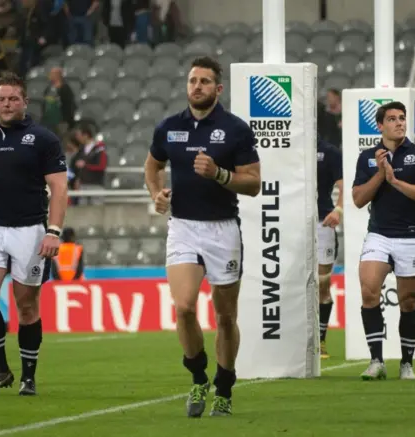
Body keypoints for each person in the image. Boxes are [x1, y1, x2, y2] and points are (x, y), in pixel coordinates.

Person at [144, 56, 260, 417]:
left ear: (218, 88)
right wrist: (157, 194)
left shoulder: (235, 129)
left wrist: (220, 175)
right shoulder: (168, 127)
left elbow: (254, 183)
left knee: (225, 317)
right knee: (184, 307)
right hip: (183, 226)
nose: (197, 87)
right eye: (193, 80)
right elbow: (152, 166)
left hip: (223, 229)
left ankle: (224, 387)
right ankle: (198, 377)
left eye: (205, 81)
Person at [0, 72, 68, 396]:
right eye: (1, 99)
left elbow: (58, 187)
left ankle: (28, 376)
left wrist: (53, 232)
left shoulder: (43, 139)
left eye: (13, 98)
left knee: (26, 305)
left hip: (29, 230)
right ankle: (0, 370)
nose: (7, 104)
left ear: (25, 102)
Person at [352, 101, 415, 381]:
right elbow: (357, 199)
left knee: (409, 301)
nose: (400, 123)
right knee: (368, 291)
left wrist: (395, 181)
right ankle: (376, 361)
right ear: (380, 126)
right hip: (379, 234)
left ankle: (406, 363)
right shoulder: (368, 157)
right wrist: (380, 173)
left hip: (411, 235)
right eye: (393, 119)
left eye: (402, 118)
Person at [316, 137, 343, 359]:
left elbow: (344, 187)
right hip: (292, 223)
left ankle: (320, 339)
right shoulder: (290, 147)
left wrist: (339, 210)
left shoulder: (329, 151)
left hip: (322, 222)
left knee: (321, 284)